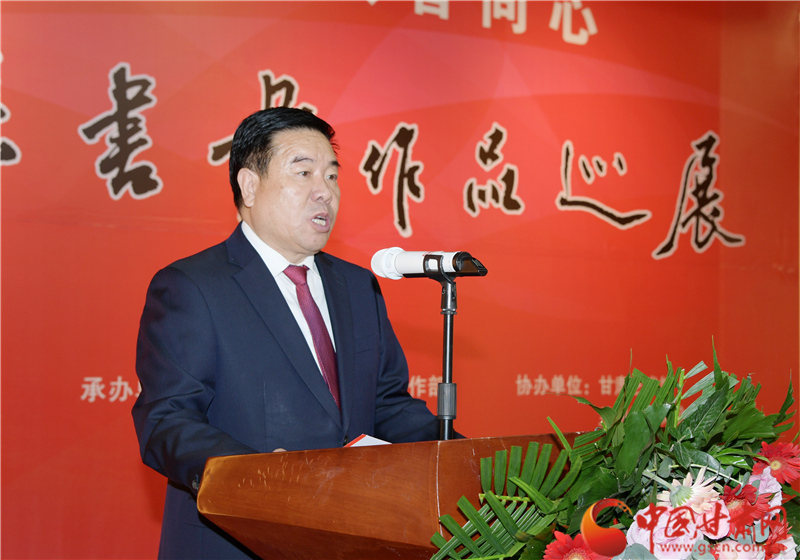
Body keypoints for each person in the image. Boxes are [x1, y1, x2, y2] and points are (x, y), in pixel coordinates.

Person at [132, 107, 441, 559]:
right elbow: (167, 420)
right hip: (236, 541)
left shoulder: (358, 286)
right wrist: (259, 476)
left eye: (332, 176)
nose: (325, 192)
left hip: (351, 538)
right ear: (249, 185)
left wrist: (472, 463)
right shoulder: (192, 286)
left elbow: (387, 405)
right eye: (304, 173)